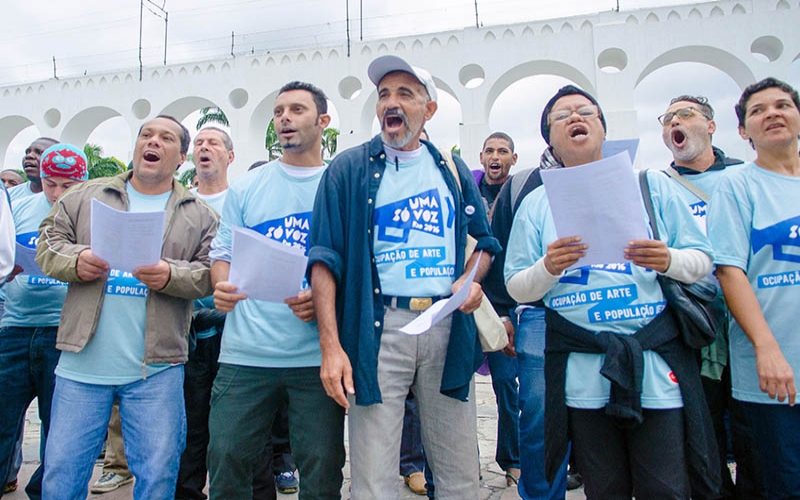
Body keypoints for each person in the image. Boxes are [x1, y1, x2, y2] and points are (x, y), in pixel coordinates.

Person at [504, 85, 718, 500]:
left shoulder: (651, 186)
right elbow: (517, 285)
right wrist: (548, 267)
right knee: (605, 489)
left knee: (665, 488)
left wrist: (667, 259)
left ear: (602, 127)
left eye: (585, 111)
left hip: (655, 368)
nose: (575, 119)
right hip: (582, 376)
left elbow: (702, 259)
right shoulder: (535, 205)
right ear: (550, 138)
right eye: (561, 117)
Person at [309, 55, 500, 500]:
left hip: (447, 328)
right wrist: (331, 347)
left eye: (405, 94)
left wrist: (472, 279)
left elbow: (485, 242)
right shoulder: (348, 169)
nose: (391, 103)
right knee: (373, 479)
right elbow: (323, 260)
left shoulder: (451, 170)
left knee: (459, 475)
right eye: (384, 95)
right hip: (379, 332)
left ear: (428, 110)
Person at [36, 115, 218, 500]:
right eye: (146, 135)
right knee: (62, 475)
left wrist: (171, 274)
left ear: (181, 156)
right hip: (81, 366)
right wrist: (77, 259)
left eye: (166, 137)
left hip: (157, 369)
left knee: (157, 476)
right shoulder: (85, 195)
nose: (152, 142)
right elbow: (48, 243)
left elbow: (210, 272)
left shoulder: (199, 214)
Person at [207, 81, 345, 500]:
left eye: (297, 109)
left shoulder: (339, 184)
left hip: (314, 357)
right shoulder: (248, 187)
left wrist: (324, 300)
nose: (284, 117)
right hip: (246, 355)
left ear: (322, 121)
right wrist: (221, 286)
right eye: (279, 110)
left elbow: (354, 263)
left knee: (322, 468)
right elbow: (223, 250)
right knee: (227, 458)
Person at [659, 95, 765, 500]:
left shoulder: (745, 177)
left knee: (753, 426)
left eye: (684, 114)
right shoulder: (659, 187)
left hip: (748, 322)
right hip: (693, 327)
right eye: (667, 118)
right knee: (701, 433)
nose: (674, 123)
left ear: (711, 125)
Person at [708, 77, 800, 499]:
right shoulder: (737, 185)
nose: (773, 114)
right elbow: (729, 270)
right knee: (783, 481)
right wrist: (767, 347)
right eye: (758, 111)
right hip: (775, 372)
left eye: (782, 105)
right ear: (743, 131)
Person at [0, 143, 88, 500]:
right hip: (14, 329)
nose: (57, 193)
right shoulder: (18, 209)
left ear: (82, 182)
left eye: (67, 186)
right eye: (51, 183)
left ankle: (45, 490)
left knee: (60, 426)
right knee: (4, 417)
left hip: (63, 332)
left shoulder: (92, 217)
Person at [175, 125, 234, 500]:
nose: (204, 148)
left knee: (234, 429)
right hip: (187, 330)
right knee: (190, 428)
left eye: (213, 142)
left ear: (230, 156)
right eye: (198, 143)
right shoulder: (179, 203)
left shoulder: (243, 199)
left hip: (235, 329)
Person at [472, 132, 521, 486]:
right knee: (454, 386)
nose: (495, 156)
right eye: (489, 150)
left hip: (501, 305)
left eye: (502, 151)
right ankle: (461, 461)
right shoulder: (469, 193)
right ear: (481, 156)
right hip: (466, 300)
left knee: (507, 384)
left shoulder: (519, 196)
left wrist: (508, 312)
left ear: (512, 159)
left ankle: (512, 458)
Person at [8, 138, 57, 204]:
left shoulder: (68, 198)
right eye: (27, 152)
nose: (29, 156)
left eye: (40, 152)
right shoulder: (8, 196)